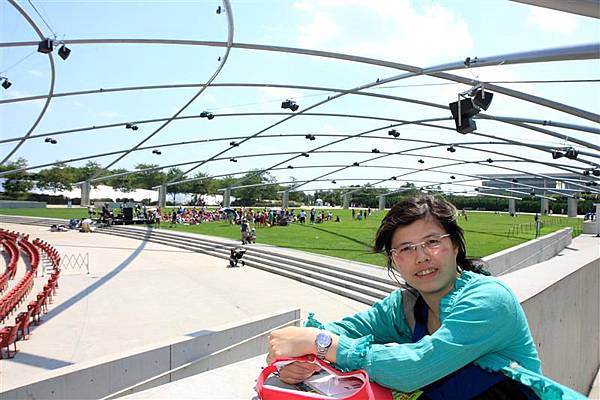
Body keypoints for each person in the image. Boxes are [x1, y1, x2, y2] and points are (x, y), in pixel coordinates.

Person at [267, 195, 585, 399]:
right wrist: (301, 358)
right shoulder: (407, 304)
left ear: (456, 246)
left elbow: (416, 368)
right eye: (405, 249)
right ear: (394, 260)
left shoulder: (488, 301)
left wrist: (319, 343)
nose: (422, 257)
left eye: (433, 241)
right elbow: (347, 328)